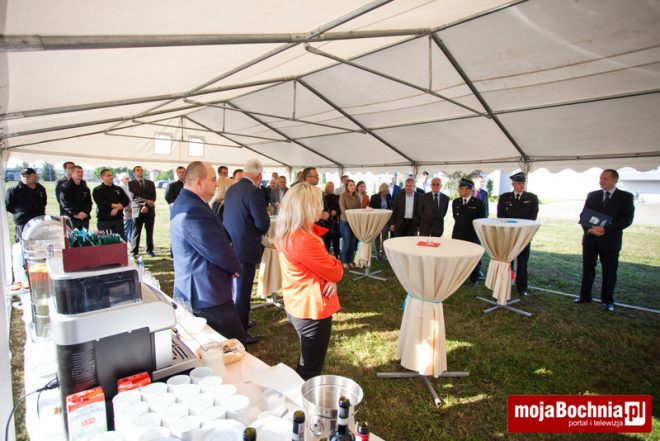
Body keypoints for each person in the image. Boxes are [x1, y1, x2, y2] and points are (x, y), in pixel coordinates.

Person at [170, 161, 247, 345]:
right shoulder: (192, 209)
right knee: (233, 345)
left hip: (200, 287)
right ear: (199, 182)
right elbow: (217, 249)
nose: (217, 183)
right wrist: (236, 268)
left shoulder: (187, 202)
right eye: (213, 179)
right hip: (207, 292)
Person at [274, 182, 344, 380]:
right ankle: (301, 396)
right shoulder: (305, 240)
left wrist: (329, 274)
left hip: (297, 303)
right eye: (317, 203)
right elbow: (336, 272)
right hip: (311, 309)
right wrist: (332, 273)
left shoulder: (290, 233)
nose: (321, 208)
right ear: (305, 207)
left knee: (308, 358)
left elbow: (317, 268)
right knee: (310, 369)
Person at [223, 159, 270, 344]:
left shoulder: (232, 189)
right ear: (259, 176)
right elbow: (262, 222)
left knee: (237, 289)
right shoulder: (254, 192)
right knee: (242, 291)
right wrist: (265, 220)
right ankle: (240, 333)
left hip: (231, 243)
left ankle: (242, 320)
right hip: (246, 246)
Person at [576, 169, 635, 312]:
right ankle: (584, 296)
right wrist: (588, 229)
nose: (601, 181)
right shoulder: (593, 195)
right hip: (590, 239)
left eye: (605, 179)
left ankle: (607, 301)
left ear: (615, 180)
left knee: (609, 271)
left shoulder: (626, 197)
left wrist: (605, 229)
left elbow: (626, 220)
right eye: (601, 178)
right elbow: (584, 215)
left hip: (610, 241)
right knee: (587, 269)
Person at [497, 172, 539, 296]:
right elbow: (500, 216)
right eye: (518, 183)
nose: (521, 186)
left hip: (523, 236)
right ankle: (506, 283)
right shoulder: (505, 197)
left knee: (522, 262)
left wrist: (521, 229)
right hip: (508, 235)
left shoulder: (532, 198)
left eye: (522, 183)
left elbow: (532, 217)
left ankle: (522, 287)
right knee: (507, 261)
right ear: (513, 184)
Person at [452, 178, 486, 287]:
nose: (459, 190)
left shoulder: (478, 203)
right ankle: (459, 277)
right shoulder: (456, 202)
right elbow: (456, 217)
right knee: (458, 257)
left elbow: (481, 220)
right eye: (460, 188)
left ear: (469, 190)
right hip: (458, 234)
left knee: (473, 257)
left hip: (472, 235)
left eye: (462, 188)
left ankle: (474, 278)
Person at [5, 167, 47, 242]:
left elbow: (44, 202)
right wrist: (20, 213)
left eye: (28, 176)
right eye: (23, 176)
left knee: (39, 243)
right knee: (23, 244)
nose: (25, 178)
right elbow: (8, 206)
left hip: (38, 221)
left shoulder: (40, 189)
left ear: (35, 176)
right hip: (23, 223)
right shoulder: (14, 190)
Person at [128, 165, 157, 257]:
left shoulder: (150, 183)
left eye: (141, 170)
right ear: (134, 173)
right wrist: (145, 203)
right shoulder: (131, 184)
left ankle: (150, 250)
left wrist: (147, 206)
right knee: (136, 231)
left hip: (150, 211)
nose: (140, 171)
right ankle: (134, 251)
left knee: (149, 232)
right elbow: (134, 197)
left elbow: (153, 196)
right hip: (137, 211)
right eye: (138, 170)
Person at [92, 168, 129, 236]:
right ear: (102, 177)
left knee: (120, 240)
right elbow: (102, 203)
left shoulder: (118, 189)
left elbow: (126, 200)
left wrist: (117, 208)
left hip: (118, 219)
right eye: (108, 175)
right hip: (104, 220)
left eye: (112, 175)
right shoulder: (97, 190)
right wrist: (117, 206)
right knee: (105, 241)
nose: (111, 177)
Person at [59, 165, 92, 230]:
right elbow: (65, 203)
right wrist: (77, 213)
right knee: (72, 236)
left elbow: (89, 202)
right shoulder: (65, 187)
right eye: (78, 172)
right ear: (72, 173)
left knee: (85, 236)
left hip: (84, 218)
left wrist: (85, 212)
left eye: (82, 172)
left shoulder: (85, 188)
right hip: (72, 219)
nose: (81, 173)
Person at [338, 179, 361, 269]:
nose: (353, 187)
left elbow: (359, 208)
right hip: (345, 221)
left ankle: (350, 260)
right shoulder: (343, 196)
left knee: (353, 243)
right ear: (347, 187)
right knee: (347, 242)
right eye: (350, 185)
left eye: (353, 185)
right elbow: (343, 209)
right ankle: (344, 261)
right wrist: (351, 216)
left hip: (354, 222)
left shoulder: (357, 196)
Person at [369, 183, 392, 260]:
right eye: (386, 191)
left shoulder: (389, 196)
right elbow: (371, 208)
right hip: (377, 219)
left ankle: (384, 254)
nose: (387, 192)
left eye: (388, 191)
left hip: (386, 219)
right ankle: (377, 254)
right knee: (377, 236)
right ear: (382, 190)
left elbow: (391, 206)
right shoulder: (374, 197)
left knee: (385, 236)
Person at [322, 182, 341, 258]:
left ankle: (336, 256)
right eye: (329, 186)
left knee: (336, 240)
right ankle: (326, 257)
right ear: (326, 187)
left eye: (332, 186)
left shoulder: (337, 197)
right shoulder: (323, 197)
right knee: (327, 241)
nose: (331, 188)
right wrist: (329, 212)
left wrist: (336, 211)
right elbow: (322, 208)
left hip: (335, 222)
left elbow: (340, 208)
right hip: (326, 222)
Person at [117, 172, 135, 243]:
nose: (129, 180)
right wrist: (130, 208)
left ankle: (132, 243)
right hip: (126, 212)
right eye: (127, 179)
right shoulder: (120, 188)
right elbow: (124, 201)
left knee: (131, 229)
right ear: (121, 180)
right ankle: (124, 244)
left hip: (132, 211)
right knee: (125, 229)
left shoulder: (127, 186)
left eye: (129, 178)